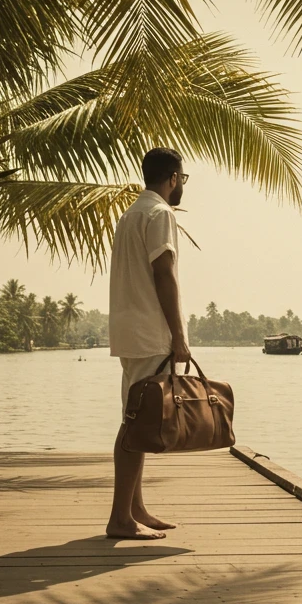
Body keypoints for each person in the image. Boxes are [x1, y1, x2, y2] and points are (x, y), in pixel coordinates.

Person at [106, 147, 192, 540]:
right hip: (150, 332)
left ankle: (134, 508)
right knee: (134, 426)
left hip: (129, 331)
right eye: (182, 180)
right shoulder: (160, 214)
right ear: (172, 178)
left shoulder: (130, 215)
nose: (181, 187)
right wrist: (179, 336)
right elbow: (164, 274)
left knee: (134, 420)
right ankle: (121, 519)